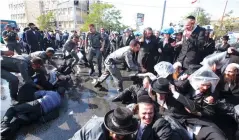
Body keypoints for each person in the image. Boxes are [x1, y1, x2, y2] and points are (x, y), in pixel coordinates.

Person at [149, 78, 226, 140]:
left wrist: (176, 94)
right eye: (159, 93)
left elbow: (194, 107)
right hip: (176, 132)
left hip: (195, 127)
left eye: (164, 93)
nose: (161, 96)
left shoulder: (174, 98)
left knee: (217, 136)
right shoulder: (153, 102)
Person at [70, 107, 138, 140]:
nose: (115, 135)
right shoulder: (95, 130)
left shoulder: (129, 134)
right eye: (113, 131)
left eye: (120, 134)